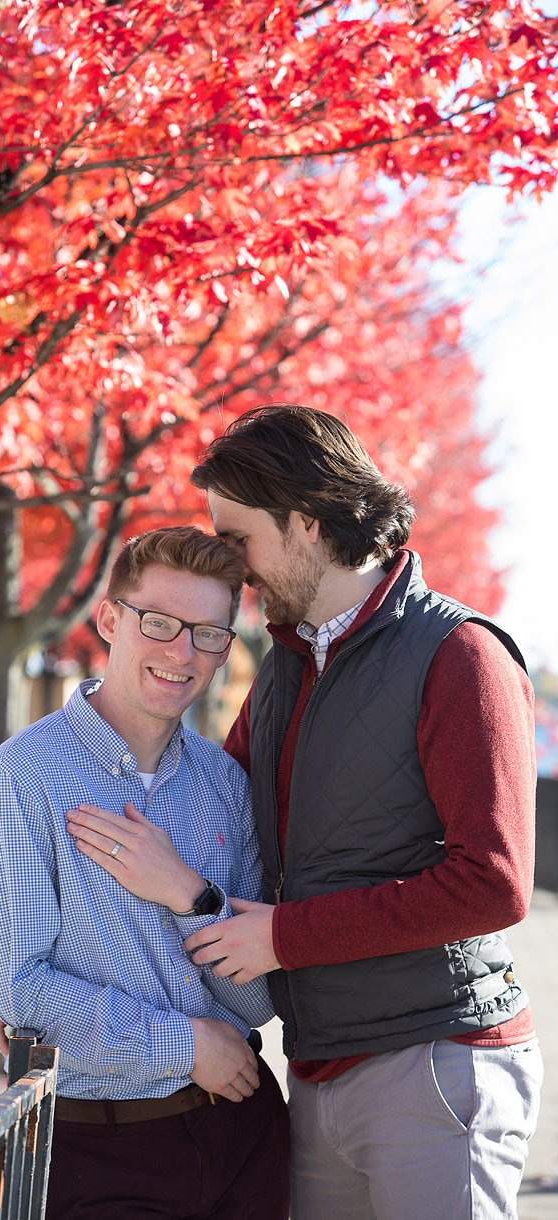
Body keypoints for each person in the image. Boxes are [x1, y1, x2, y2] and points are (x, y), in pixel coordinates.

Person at [178, 403, 542, 1220]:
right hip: (316, 1069)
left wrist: (280, 936)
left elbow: (492, 885)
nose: (231, 568)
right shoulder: (278, 668)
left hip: (438, 1068)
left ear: (305, 523)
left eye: (237, 539)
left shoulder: (461, 656)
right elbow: (204, 817)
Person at [0, 526, 290, 1220]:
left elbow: (259, 1003)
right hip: (101, 1151)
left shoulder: (225, 784)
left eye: (208, 633)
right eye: (159, 623)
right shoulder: (21, 780)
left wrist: (189, 896)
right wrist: (187, 1043)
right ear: (109, 620)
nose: (182, 653)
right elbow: (21, 998)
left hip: (248, 1134)